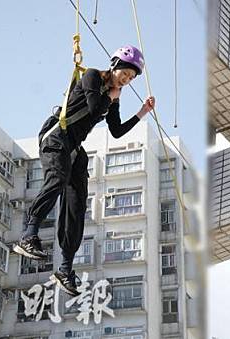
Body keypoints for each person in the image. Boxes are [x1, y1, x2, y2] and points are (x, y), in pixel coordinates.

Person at [13, 45, 155, 296]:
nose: (126, 79)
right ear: (114, 64)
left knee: (77, 205)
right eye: (125, 72)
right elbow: (93, 108)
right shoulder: (91, 75)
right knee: (57, 178)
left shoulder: (113, 96)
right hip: (57, 136)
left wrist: (142, 112)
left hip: (74, 147)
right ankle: (28, 234)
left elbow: (116, 131)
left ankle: (65, 269)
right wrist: (111, 97)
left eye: (131, 78)